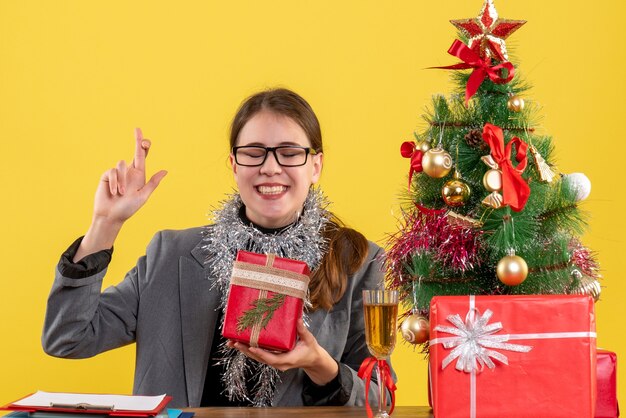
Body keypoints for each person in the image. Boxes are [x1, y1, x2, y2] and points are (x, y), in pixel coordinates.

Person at [42, 88, 394, 408]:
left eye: (289, 153)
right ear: (234, 164)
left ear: (315, 166)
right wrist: (106, 224)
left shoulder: (358, 262)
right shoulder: (171, 254)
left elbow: (381, 399)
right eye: (253, 153)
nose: (270, 168)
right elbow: (68, 337)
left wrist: (321, 366)